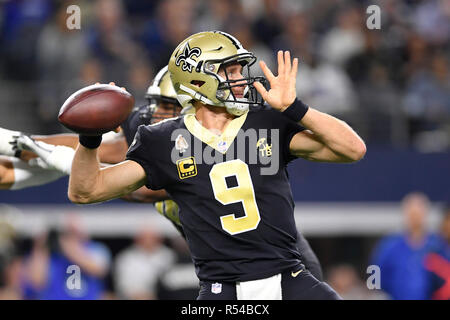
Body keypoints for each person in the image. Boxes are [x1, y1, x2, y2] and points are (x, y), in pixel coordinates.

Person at [68, 31, 366, 300]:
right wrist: (89, 138)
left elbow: (352, 149)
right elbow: (86, 191)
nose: (240, 78)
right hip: (220, 289)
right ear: (199, 80)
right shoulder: (164, 140)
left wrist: (296, 108)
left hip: (290, 280)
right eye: (230, 71)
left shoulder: (267, 122)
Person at [0, 65, 325, 282]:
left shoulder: (205, 151)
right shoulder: (155, 132)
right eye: (156, 105)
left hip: (283, 269)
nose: (157, 115)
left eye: (169, 108)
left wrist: (44, 156)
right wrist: (21, 148)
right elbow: (96, 150)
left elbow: (130, 189)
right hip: (226, 275)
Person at [370, 192, 439, 299]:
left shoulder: (437, 245)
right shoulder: (390, 246)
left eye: (418, 213)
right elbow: (375, 273)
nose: (415, 218)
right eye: (412, 213)